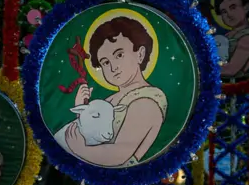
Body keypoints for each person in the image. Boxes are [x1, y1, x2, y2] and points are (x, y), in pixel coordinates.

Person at [59, 15, 168, 167]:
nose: (113, 67)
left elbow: (118, 154)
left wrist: (80, 149)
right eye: (105, 62)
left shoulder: (146, 101)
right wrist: (82, 110)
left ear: (140, 54)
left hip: (120, 175)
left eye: (119, 55)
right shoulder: (112, 99)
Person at [214, 0, 249, 78]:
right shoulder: (228, 36)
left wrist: (199, 68)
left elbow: (230, 70)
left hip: (236, 89)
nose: (229, 14)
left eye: (233, 7)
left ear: (246, 7)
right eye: (224, 11)